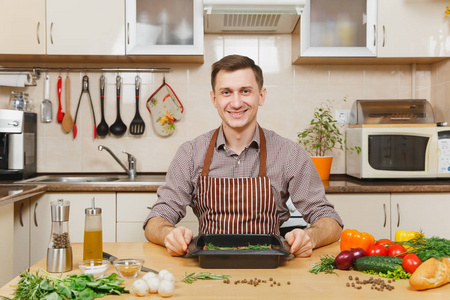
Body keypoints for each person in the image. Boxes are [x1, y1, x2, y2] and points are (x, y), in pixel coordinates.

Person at [144, 54, 343, 257]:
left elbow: (329, 219)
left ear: (261, 96)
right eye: (226, 92)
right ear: (214, 99)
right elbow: (156, 219)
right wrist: (169, 234)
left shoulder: (289, 154)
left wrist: (311, 237)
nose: (236, 103)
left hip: (271, 270)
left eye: (245, 91)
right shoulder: (190, 153)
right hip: (208, 271)